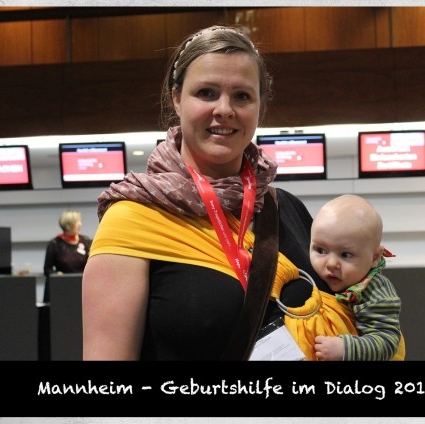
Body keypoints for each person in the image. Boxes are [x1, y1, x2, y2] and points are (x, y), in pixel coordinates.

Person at [82, 25, 332, 360]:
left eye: (241, 96)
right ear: (176, 98)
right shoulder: (132, 220)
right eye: (206, 93)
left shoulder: (285, 208)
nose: (224, 109)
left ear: (260, 106)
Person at [271, 194, 404, 361]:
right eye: (321, 250)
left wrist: (345, 348)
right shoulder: (317, 273)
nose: (331, 263)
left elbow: (387, 342)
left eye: (346, 254)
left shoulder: (375, 292)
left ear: (375, 257)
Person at [43, 210, 92, 302]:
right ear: (69, 225)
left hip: (82, 286)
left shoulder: (86, 241)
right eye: (77, 222)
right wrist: (57, 275)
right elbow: (47, 269)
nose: (80, 224)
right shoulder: (54, 244)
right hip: (63, 287)